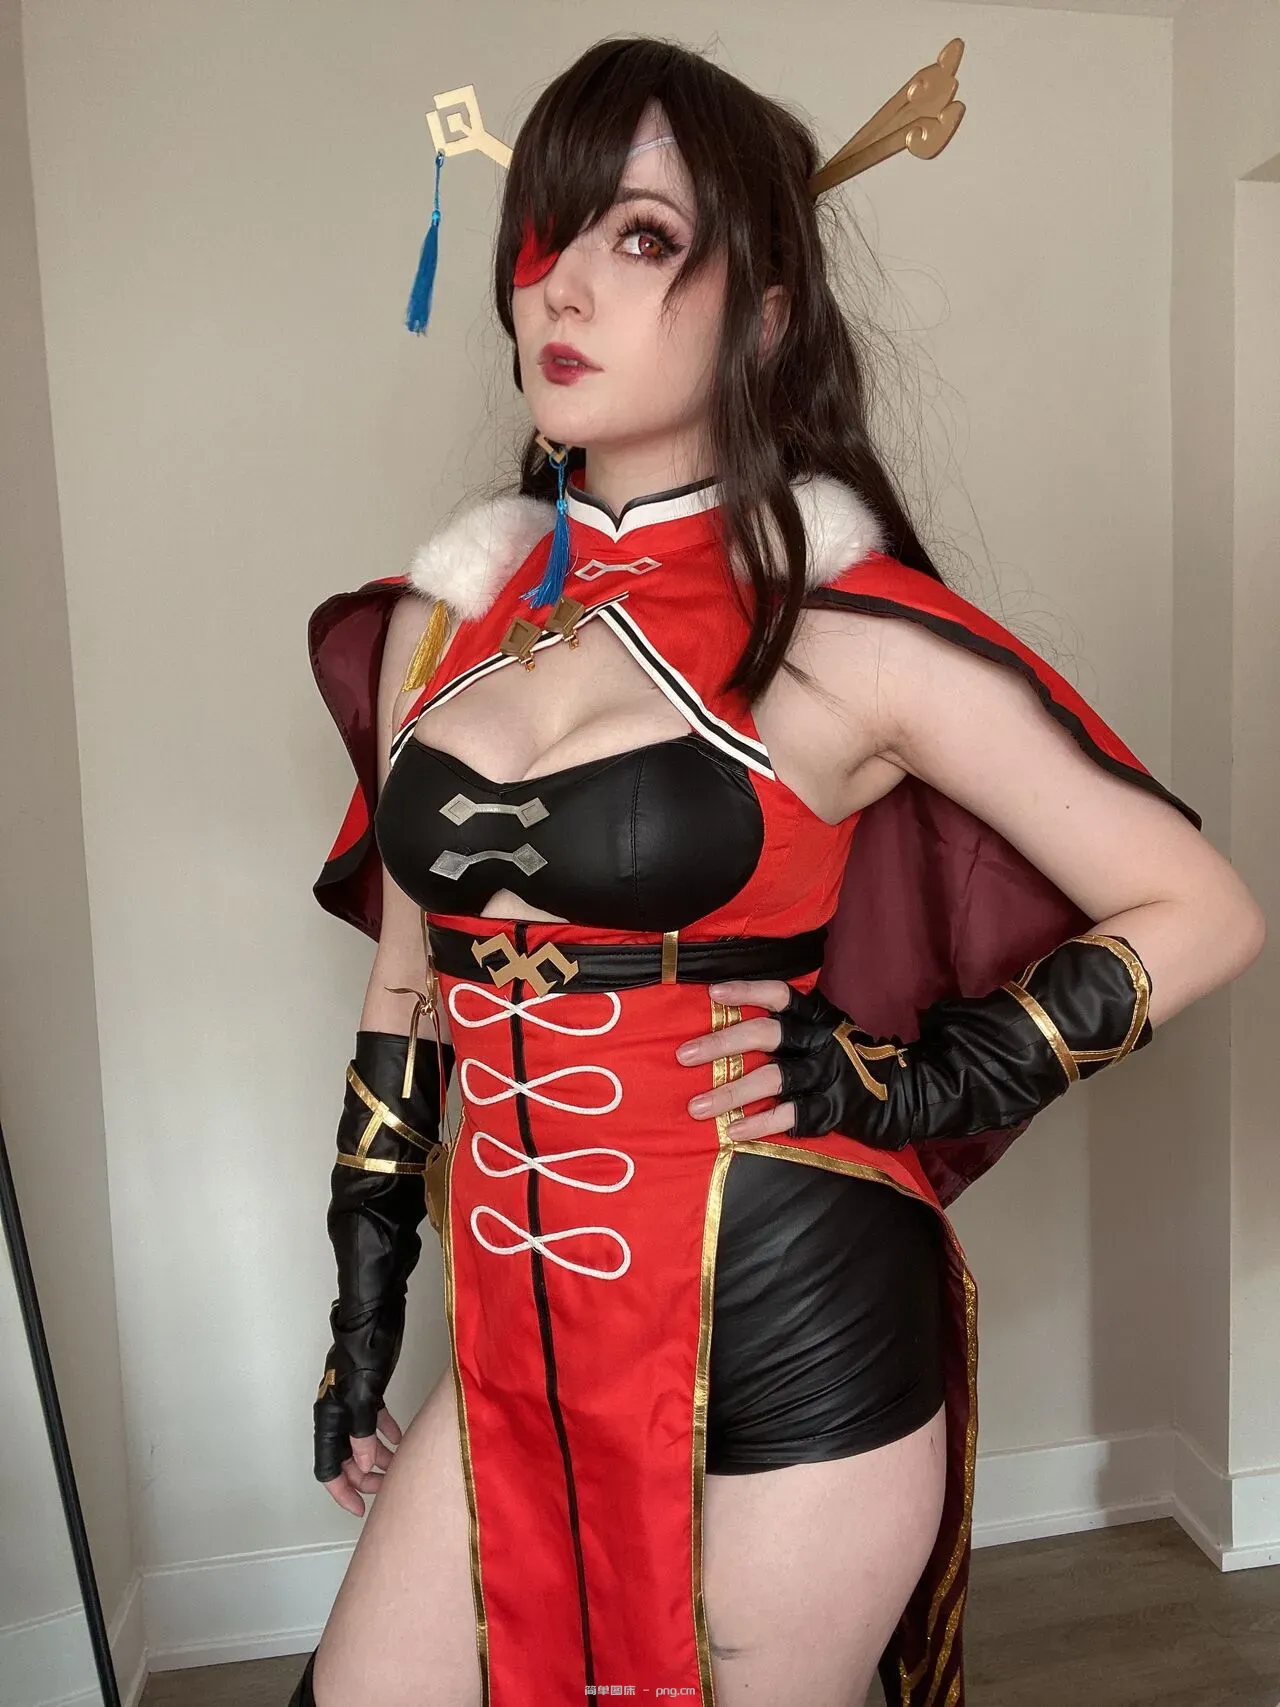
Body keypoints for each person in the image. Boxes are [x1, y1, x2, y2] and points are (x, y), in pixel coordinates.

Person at [288, 36, 1264, 1707]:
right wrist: (365, 1304)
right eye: (544, 235)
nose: (562, 286)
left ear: (765, 313)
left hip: (792, 1326)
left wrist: (910, 1081)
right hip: (517, 1325)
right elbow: (405, 985)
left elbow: (1206, 910)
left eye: (642, 237)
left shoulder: (846, 635)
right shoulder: (432, 632)